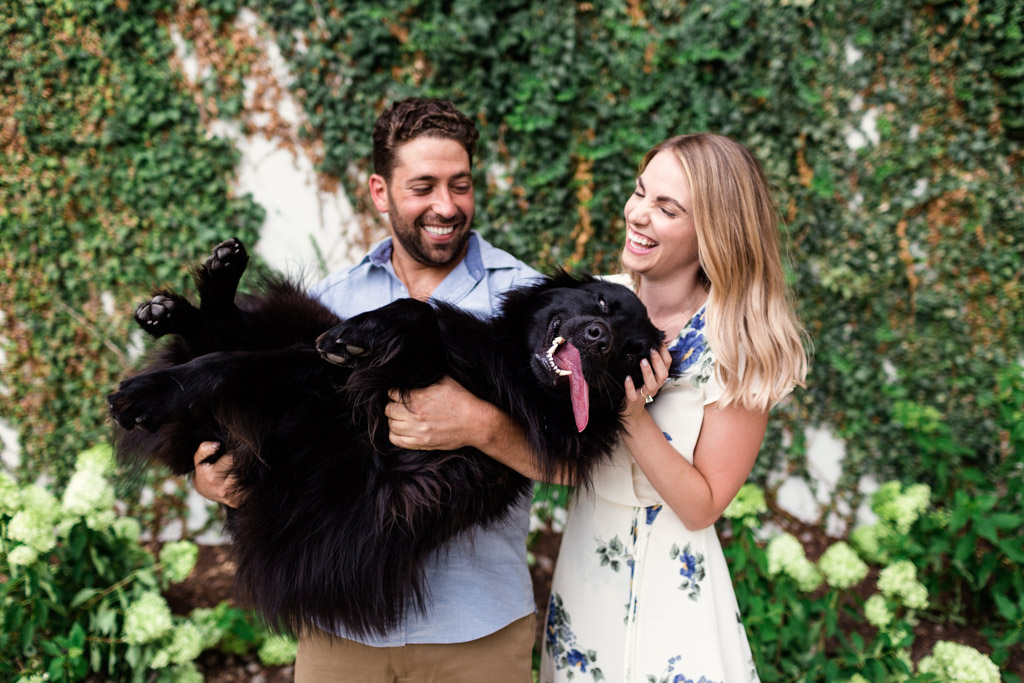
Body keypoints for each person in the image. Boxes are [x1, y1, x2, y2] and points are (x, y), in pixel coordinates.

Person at [403, 133, 806, 682]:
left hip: (671, 583)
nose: (638, 215)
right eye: (641, 193)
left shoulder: (735, 346)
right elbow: (548, 442)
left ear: (714, 230)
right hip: (589, 564)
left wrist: (632, 415)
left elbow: (702, 506)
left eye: (667, 209)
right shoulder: (596, 302)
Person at [192, 97, 542, 682]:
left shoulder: (524, 302)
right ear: (380, 192)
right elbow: (276, 427)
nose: (446, 206)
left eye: (461, 185)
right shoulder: (328, 304)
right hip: (338, 632)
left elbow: (575, 461)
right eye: (423, 186)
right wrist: (218, 473)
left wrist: (478, 424)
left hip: (477, 628)